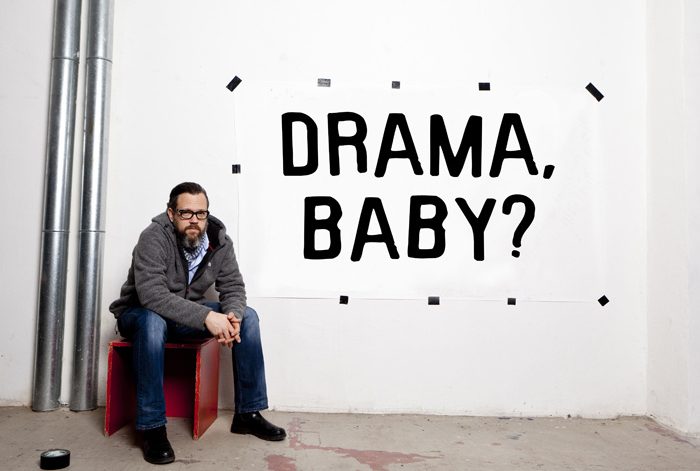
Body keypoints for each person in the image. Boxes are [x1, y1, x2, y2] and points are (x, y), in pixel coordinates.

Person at [109, 182, 285, 465]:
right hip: (140, 314)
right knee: (152, 322)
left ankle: (248, 414)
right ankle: (152, 427)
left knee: (249, 316)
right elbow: (152, 295)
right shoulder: (153, 237)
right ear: (171, 214)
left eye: (201, 213)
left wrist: (232, 317)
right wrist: (206, 317)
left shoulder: (220, 242)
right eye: (186, 213)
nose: (194, 220)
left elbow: (233, 287)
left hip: (183, 317)